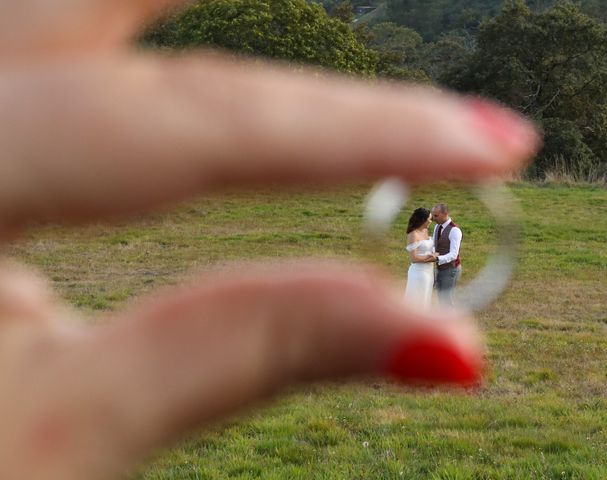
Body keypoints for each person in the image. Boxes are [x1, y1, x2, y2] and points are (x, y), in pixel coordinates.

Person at [0, 1, 540, 478]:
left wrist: (438, 253)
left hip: (434, 270)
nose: (439, 213)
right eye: (437, 211)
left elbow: (439, 251)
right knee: (421, 301)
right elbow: (420, 248)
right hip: (422, 269)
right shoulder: (424, 233)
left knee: (430, 303)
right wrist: (425, 251)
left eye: (440, 212)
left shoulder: (446, 232)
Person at [430, 203, 463, 307]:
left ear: (445, 214)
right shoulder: (437, 227)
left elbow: (453, 254)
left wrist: (437, 258)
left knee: (446, 299)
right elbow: (436, 244)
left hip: (451, 269)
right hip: (440, 267)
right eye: (433, 215)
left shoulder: (455, 230)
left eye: (436, 216)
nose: (433, 218)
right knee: (441, 296)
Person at [404, 208, 435, 309]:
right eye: (429, 219)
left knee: (426, 298)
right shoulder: (413, 234)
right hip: (419, 273)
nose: (431, 221)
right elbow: (414, 258)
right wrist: (432, 257)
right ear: (423, 220)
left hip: (429, 271)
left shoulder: (425, 230)